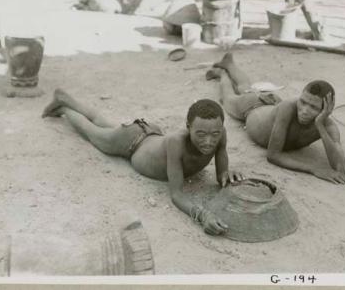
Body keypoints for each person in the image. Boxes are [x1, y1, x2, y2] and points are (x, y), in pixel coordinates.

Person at [42, 89, 244, 235]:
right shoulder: (176, 142)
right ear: (188, 127)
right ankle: (64, 109)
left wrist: (228, 174)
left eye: (214, 134)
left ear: (221, 129)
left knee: (105, 125)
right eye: (200, 134)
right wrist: (202, 215)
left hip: (148, 133)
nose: (208, 141)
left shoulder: (219, 135)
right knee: (92, 133)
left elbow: (221, 176)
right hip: (133, 142)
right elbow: (176, 194)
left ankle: (65, 98)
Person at [206, 52, 345, 185]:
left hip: (269, 107)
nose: (304, 110)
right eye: (303, 102)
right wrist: (313, 169)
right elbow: (273, 155)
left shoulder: (328, 126)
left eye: (313, 107)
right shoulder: (288, 107)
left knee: (245, 88)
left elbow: (341, 168)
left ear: (326, 109)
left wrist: (320, 124)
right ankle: (223, 73)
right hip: (252, 107)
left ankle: (229, 63)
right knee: (228, 98)